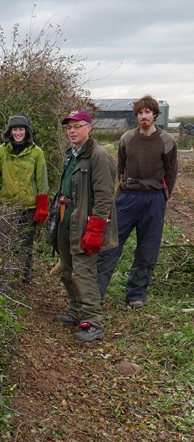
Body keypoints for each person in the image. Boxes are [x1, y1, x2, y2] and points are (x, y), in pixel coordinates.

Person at [97, 95, 178, 308]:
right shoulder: (127, 138)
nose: (144, 116)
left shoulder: (167, 141)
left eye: (148, 112)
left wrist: (164, 193)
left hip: (154, 198)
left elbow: (171, 171)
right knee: (111, 244)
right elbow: (120, 167)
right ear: (136, 116)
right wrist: (122, 188)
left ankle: (136, 294)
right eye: (140, 112)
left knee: (147, 248)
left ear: (155, 115)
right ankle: (96, 292)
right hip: (127, 197)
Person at [49, 110, 117, 342]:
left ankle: (93, 322)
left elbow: (105, 196)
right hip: (66, 221)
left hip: (85, 225)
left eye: (77, 126)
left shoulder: (99, 156)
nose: (72, 131)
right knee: (68, 271)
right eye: (69, 128)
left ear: (89, 128)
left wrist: (95, 230)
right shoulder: (71, 155)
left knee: (83, 273)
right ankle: (76, 312)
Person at [0, 115, 49, 283]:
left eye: (21, 129)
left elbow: (42, 180)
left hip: (28, 206)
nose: (18, 133)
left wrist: (42, 206)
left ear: (27, 131)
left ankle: (24, 278)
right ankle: (7, 276)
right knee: (7, 243)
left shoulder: (36, 152)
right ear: (9, 131)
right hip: (8, 206)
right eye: (14, 129)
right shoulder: (1, 151)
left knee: (26, 245)